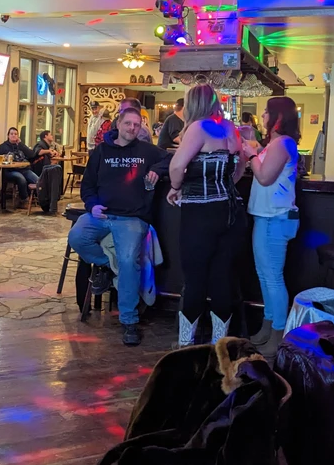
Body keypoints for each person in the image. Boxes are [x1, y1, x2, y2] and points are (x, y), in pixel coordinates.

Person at [69, 107, 166, 346]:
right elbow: (87, 186)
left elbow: (172, 158)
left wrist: (156, 169)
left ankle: (129, 321)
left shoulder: (147, 150)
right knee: (77, 237)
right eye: (128, 124)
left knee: (128, 260)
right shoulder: (101, 152)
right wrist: (92, 205)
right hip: (101, 215)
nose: (132, 128)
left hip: (132, 218)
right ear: (118, 124)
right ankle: (108, 265)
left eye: (137, 125)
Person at [168, 85, 249, 346]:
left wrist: (175, 187)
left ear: (192, 104)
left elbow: (177, 166)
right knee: (222, 278)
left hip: (200, 214)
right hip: (231, 211)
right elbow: (240, 165)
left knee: (195, 279)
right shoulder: (229, 127)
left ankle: (186, 345)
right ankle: (219, 346)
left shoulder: (198, 127)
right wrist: (227, 185)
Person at [246, 96, 300, 360]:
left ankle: (278, 335)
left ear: (278, 117)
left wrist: (251, 154)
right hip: (268, 217)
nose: (263, 116)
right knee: (265, 275)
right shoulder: (277, 143)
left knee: (273, 278)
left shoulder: (283, 143)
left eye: (267, 112)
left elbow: (265, 177)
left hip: (274, 218)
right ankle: (268, 328)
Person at [0, 127, 40, 207]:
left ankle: (43, 200)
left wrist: (21, 144)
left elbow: (32, 155)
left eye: (15, 134)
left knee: (38, 180)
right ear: (8, 135)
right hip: (10, 171)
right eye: (11, 134)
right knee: (21, 179)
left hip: (24, 169)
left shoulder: (21, 145)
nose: (13, 135)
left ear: (18, 136)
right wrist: (1, 158)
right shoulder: (3, 146)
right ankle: (24, 200)